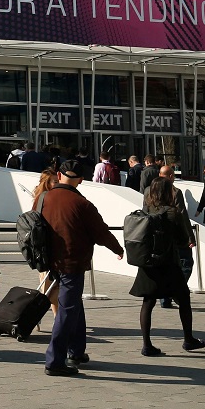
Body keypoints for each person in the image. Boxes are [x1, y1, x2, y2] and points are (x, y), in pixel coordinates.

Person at [40, 161, 124, 376]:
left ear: (59, 175)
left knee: (73, 303)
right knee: (67, 311)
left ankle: (76, 351)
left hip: (50, 261)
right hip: (72, 263)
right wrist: (117, 248)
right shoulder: (82, 203)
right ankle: (55, 361)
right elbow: (101, 232)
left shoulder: (43, 198)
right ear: (81, 180)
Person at [129, 178, 205, 356]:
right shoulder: (172, 213)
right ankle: (188, 339)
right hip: (168, 263)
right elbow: (181, 240)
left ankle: (146, 344)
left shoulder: (145, 213)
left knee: (148, 303)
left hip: (148, 264)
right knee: (184, 300)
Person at [157, 165, 196, 308]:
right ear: (171, 176)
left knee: (164, 267)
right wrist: (190, 237)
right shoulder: (175, 192)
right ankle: (174, 290)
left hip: (158, 236)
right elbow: (182, 215)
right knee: (186, 264)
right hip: (176, 235)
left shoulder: (150, 191)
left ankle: (164, 298)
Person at [31, 167, 61, 314]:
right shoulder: (45, 198)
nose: (57, 183)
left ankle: (55, 317)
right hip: (46, 248)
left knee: (52, 286)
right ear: (47, 183)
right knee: (48, 287)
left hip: (45, 247)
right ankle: (34, 313)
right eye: (54, 181)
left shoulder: (41, 197)